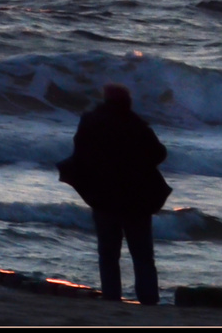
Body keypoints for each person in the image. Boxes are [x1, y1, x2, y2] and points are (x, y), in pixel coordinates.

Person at [57, 83, 172, 304]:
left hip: (103, 196)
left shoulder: (90, 122)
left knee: (108, 255)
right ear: (127, 101)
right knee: (143, 255)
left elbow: (79, 154)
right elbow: (159, 153)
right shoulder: (136, 124)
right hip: (136, 198)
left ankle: (111, 297)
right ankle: (148, 300)